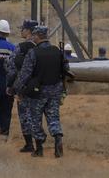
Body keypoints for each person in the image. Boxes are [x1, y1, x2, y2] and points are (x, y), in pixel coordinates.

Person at [15, 23, 71, 157]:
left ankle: (39, 149)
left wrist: (18, 89)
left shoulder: (33, 53)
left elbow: (25, 74)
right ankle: (58, 141)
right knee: (53, 117)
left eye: (34, 35)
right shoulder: (57, 50)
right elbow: (66, 69)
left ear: (38, 36)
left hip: (38, 91)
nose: (33, 37)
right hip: (55, 89)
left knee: (36, 119)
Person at [6, 19, 39, 153]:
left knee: (24, 115)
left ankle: (29, 143)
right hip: (38, 86)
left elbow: (11, 67)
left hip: (22, 86)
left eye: (23, 29)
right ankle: (39, 144)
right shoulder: (41, 47)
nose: (21, 31)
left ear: (29, 31)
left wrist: (11, 85)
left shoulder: (20, 47)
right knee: (36, 114)